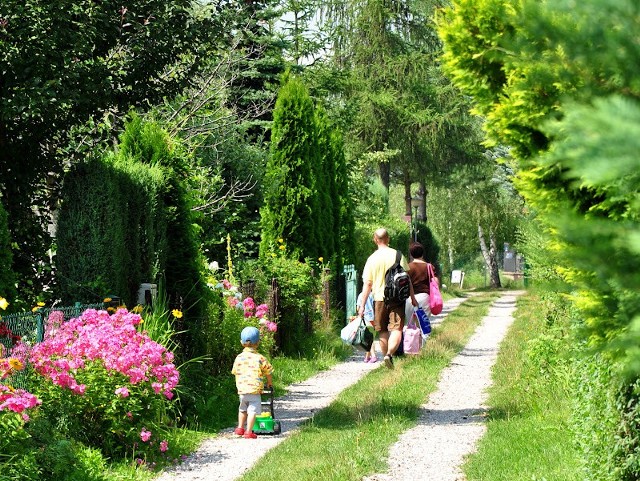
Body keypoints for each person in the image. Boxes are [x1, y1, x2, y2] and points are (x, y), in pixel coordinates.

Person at [358, 228, 417, 369]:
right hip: (397, 298)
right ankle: (389, 355)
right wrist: (413, 297)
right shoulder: (398, 255)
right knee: (397, 329)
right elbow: (407, 279)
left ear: (375, 239)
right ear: (388, 239)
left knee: (383, 331)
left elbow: (368, 283)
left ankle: (386, 363)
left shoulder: (372, 259)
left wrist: (362, 305)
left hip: (379, 299)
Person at [231, 326, 273, 439]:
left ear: (241, 342)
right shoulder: (260, 358)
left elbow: (234, 371)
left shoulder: (238, 358)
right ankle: (248, 431)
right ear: (258, 342)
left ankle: (240, 428)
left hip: (242, 390)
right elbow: (268, 371)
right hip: (254, 390)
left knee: (242, 408)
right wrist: (269, 383)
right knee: (252, 410)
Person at [404, 241, 432, 322]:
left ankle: (413, 335)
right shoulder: (429, 267)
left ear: (411, 254)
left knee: (411, 325)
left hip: (410, 299)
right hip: (424, 297)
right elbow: (435, 282)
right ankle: (422, 335)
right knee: (424, 326)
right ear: (422, 253)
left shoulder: (407, 267)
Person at [356, 290, 377, 363]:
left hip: (365, 318)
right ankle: (367, 356)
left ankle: (373, 356)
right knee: (370, 337)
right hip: (372, 318)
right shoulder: (372, 295)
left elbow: (358, 308)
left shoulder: (360, 295)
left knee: (368, 338)